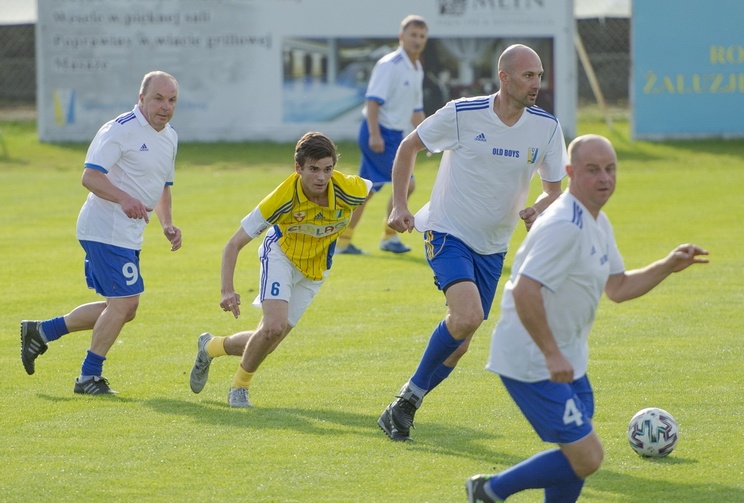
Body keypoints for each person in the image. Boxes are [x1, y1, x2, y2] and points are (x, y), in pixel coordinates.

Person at [465, 134, 709, 503]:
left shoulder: (596, 220)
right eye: (593, 169)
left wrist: (668, 266)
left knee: (578, 449)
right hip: (532, 360)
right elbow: (524, 290)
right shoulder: (563, 225)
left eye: (611, 168)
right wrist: (552, 353)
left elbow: (617, 287)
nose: (604, 177)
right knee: (588, 456)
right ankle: (491, 490)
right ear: (572, 174)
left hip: (567, 358)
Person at [376, 44, 568, 441]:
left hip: (493, 246)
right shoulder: (463, 113)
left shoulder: (546, 127)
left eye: (540, 76)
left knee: (460, 343)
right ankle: (406, 402)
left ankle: (404, 403)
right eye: (528, 75)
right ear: (505, 77)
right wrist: (399, 205)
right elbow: (409, 146)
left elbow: (554, 189)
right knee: (467, 317)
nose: (536, 84)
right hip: (447, 229)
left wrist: (538, 207)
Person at [20, 71, 182, 394]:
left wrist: (167, 224)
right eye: (158, 99)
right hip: (104, 229)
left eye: (172, 100)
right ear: (141, 98)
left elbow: (162, 186)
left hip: (128, 232)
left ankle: (41, 331)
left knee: (123, 307)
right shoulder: (119, 130)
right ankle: (88, 378)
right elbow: (90, 177)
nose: (165, 107)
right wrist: (124, 198)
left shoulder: (170, 137)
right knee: (123, 304)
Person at [188, 132, 371, 408]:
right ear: (298, 168)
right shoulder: (282, 199)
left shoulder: (350, 189)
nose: (321, 177)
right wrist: (227, 289)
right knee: (273, 327)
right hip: (281, 256)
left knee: (268, 340)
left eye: (328, 169)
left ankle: (210, 346)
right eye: (313, 169)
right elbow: (233, 244)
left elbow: (370, 190)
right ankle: (239, 389)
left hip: (316, 268)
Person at [336, 14, 428, 256]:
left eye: (421, 36)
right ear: (401, 37)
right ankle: (390, 236)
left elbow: (416, 111)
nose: (417, 40)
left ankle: (342, 242)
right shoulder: (390, 64)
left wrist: (430, 136)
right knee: (408, 183)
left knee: (366, 190)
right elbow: (373, 102)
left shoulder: (417, 68)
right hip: (378, 133)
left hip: (396, 136)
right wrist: (375, 135)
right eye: (412, 35)